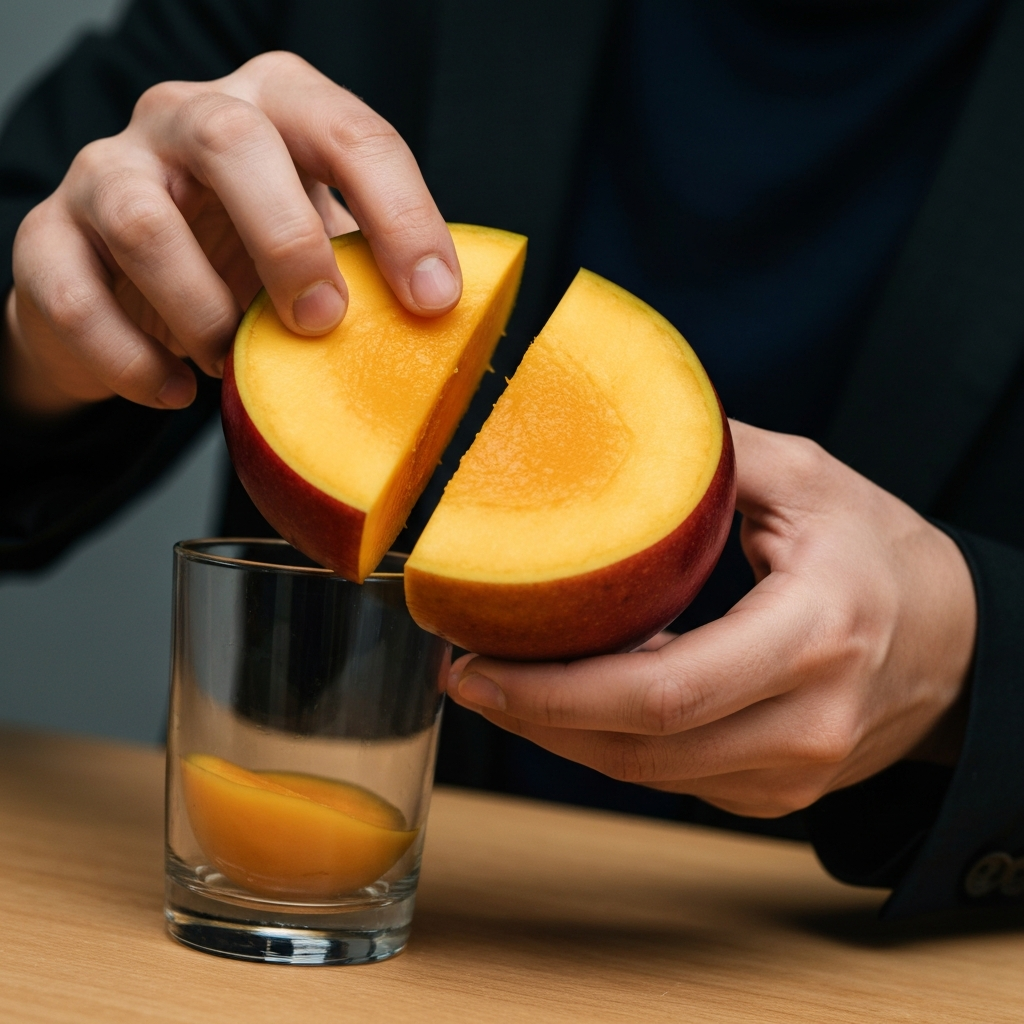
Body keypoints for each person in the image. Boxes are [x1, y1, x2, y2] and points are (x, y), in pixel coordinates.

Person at [2, 0, 1022, 919]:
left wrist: (973, 666)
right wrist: (48, 329)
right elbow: (43, 228)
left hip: (800, 962)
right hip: (305, 912)